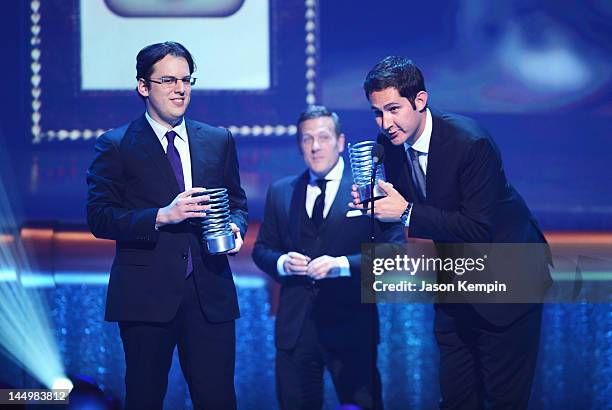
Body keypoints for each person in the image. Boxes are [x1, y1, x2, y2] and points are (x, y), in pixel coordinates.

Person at [351, 56, 552, 409]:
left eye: (394, 109)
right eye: (377, 113)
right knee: (457, 397)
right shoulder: (392, 149)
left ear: (420, 101)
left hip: (510, 276)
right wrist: (377, 209)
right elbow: (404, 216)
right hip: (457, 282)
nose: (386, 123)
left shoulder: (470, 143)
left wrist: (406, 212)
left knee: (503, 400)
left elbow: (476, 227)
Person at [86, 41, 247, 410]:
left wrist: (235, 228)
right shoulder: (116, 145)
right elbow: (99, 217)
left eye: (186, 80)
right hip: (146, 295)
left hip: (210, 291)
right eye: (168, 80)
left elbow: (237, 203)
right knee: (145, 396)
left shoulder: (217, 140)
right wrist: (162, 216)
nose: (180, 89)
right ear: (144, 86)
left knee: (218, 398)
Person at [253, 106, 401, 410]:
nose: (315, 146)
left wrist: (342, 265)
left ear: (341, 142)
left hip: (351, 327)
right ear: (299, 145)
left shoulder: (368, 190)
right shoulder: (281, 192)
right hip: (296, 331)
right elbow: (262, 249)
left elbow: (395, 252)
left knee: (361, 403)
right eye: (307, 139)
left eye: (323, 137)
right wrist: (282, 263)